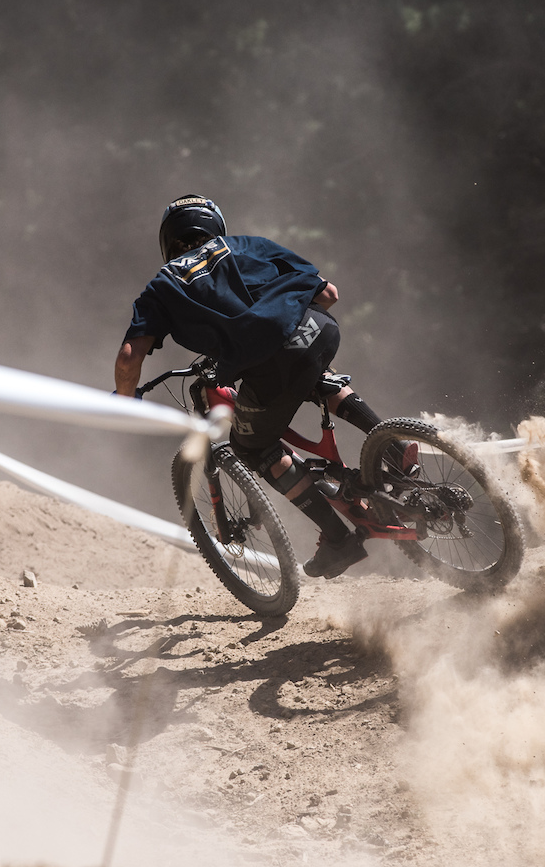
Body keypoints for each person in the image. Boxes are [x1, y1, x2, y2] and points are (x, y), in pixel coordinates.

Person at [114, 195, 383, 579]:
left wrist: (125, 401)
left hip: (274, 363)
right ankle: (396, 444)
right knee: (312, 373)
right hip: (321, 330)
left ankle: (339, 540)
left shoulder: (162, 286)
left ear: (167, 241)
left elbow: (129, 359)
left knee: (251, 444)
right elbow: (329, 295)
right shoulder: (247, 244)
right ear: (215, 227)